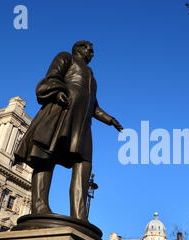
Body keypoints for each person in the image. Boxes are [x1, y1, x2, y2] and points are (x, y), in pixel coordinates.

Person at [14, 40, 123, 222]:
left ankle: (80, 215)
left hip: (82, 125)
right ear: (80, 49)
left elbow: (93, 106)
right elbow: (52, 78)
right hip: (62, 113)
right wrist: (57, 93)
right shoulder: (66, 57)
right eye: (90, 49)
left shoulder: (91, 75)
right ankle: (39, 206)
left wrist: (109, 119)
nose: (92, 54)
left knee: (84, 162)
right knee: (46, 156)